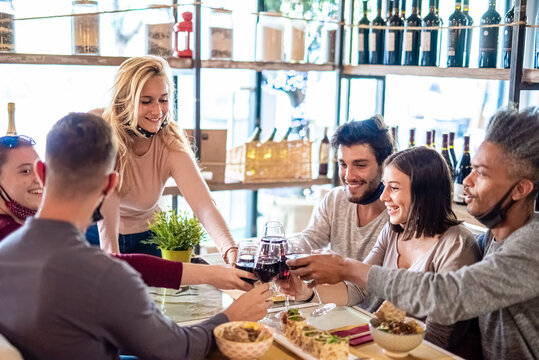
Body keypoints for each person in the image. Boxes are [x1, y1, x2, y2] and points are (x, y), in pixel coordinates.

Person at [0, 113, 272, 360]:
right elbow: (177, 349)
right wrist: (231, 317)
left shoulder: (6, 252)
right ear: (110, 184)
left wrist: (211, 274)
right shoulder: (106, 278)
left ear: (42, 173)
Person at [288, 107, 539, 360]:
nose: (468, 181)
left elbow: (448, 295)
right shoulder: (491, 241)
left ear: (520, 189)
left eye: (482, 173)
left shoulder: (531, 245)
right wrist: (309, 292)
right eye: (471, 169)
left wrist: (347, 267)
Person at [0, 132, 255, 291]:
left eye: (37, 168)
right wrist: (211, 275)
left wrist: (225, 254)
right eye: (24, 171)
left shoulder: (23, 229)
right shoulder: (11, 239)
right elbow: (107, 265)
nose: (39, 180)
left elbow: (204, 204)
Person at [282, 147, 480, 351]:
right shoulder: (394, 230)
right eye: (385, 186)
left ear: (424, 192)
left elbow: (438, 337)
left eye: (393, 188)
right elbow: (359, 288)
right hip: (388, 346)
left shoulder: (456, 245)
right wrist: (306, 292)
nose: (383, 196)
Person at [95, 55, 238, 263]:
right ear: (124, 102)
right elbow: (106, 213)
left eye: (163, 99)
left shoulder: (169, 142)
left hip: (148, 237)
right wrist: (111, 265)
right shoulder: (102, 134)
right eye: (146, 101)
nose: (157, 110)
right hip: (96, 233)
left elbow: (204, 205)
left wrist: (230, 249)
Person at [301, 115, 393, 260]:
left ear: (385, 164)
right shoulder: (335, 199)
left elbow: (387, 279)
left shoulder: (398, 214)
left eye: (360, 165)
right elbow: (309, 240)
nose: (348, 176)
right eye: (343, 164)